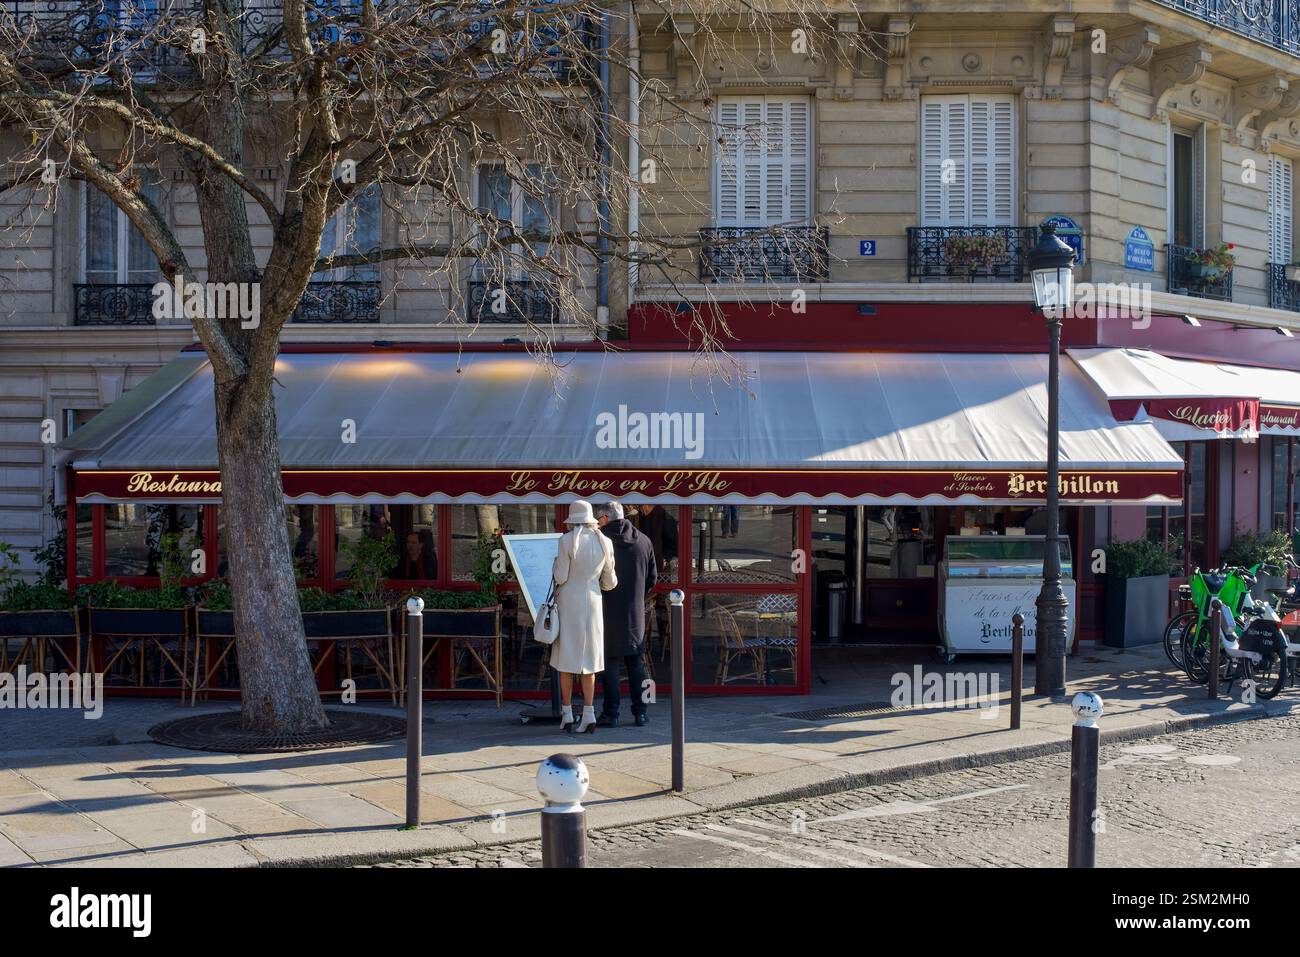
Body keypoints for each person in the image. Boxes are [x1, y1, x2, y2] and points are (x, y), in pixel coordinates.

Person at [551, 500, 617, 733]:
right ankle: (589, 713)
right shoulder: (605, 541)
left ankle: (567, 713)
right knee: (589, 661)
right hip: (593, 601)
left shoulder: (566, 541)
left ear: (572, 520)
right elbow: (610, 582)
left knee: (566, 660)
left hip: (570, 602)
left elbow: (560, 576)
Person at [596, 501, 658, 727]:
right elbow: (652, 578)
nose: (597, 522)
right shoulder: (644, 540)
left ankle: (611, 714)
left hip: (605, 609)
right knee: (636, 663)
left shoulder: (599, 540)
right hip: (634, 611)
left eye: (599, 518)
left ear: (605, 518)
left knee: (610, 664)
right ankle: (641, 713)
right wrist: (637, 596)